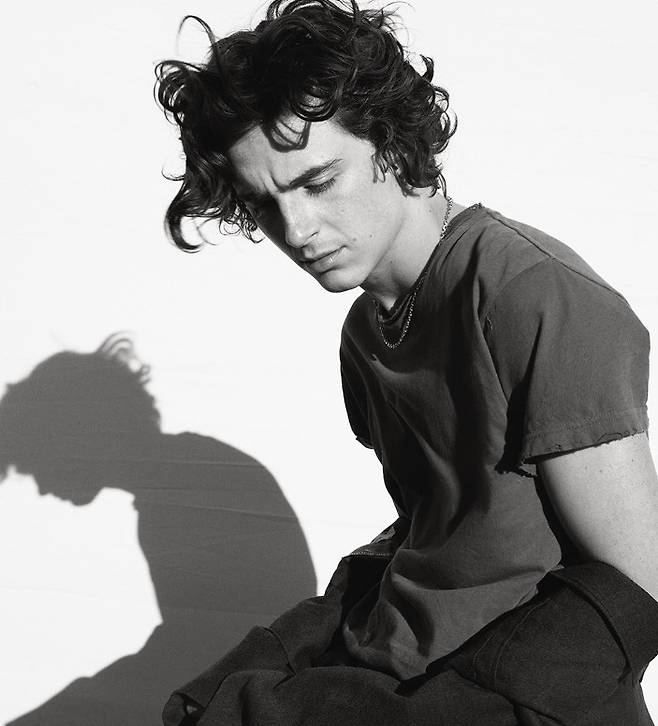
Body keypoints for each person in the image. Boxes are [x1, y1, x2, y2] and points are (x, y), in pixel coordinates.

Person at [154, 0, 658, 723]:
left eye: (318, 182)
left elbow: (638, 586)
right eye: (264, 202)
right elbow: (439, 532)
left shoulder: (534, 295)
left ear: (390, 144)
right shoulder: (364, 333)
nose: (297, 229)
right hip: (385, 664)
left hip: (503, 693)